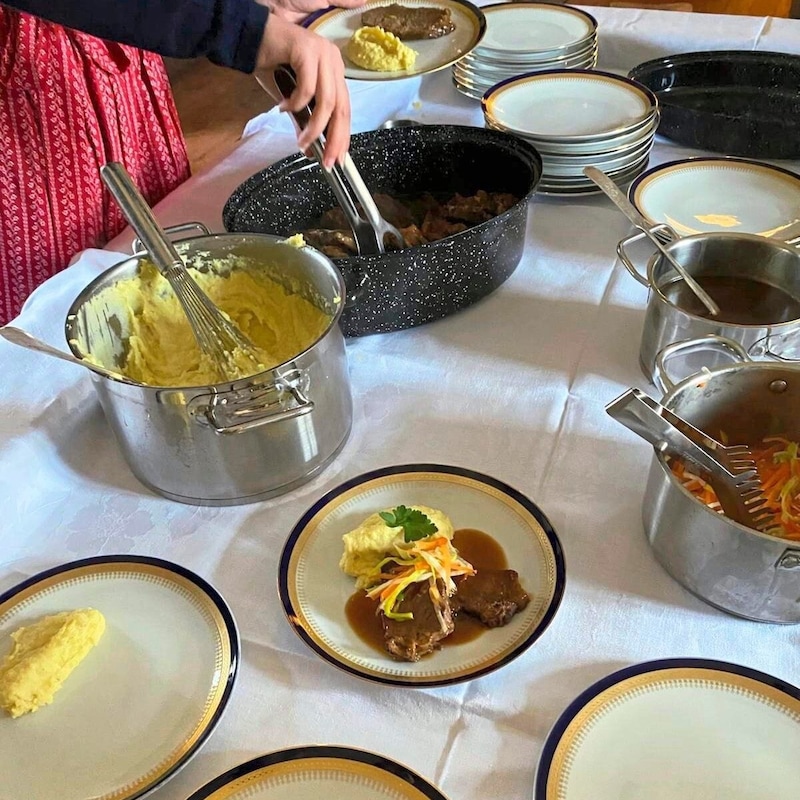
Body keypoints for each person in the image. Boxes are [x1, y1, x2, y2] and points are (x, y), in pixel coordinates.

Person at [0, 0, 363, 324]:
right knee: (50, 313)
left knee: (154, 263)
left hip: (130, 29)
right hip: (25, 86)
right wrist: (235, 24)